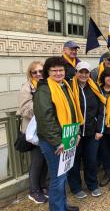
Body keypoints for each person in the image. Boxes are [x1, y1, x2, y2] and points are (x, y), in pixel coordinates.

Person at [34, 57, 82, 211]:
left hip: (67, 137)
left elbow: (73, 111)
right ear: (47, 72)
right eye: (54, 70)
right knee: (58, 178)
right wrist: (57, 141)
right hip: (53, 141)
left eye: (60, 69)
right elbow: (45, 118)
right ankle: (57, 208)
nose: (58, 73)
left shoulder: (64, 86)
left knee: (63, 175)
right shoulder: (44, 89)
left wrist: (77, 133)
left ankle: (62, 206)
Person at [67, 62, 105, 199]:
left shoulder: (94, 88)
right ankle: (76, 187)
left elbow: (102, 109)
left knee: (91, 160)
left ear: (89, 74)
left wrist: (100, 129)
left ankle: (92, 185)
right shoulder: (69, 87)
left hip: (91, 132)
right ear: (76, 72)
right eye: (80, 72)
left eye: (86, 72)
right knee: (74, 161)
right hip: (75, 132)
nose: (83, 75)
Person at [17, 61, 48, 204]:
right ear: (30, 74)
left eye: (41, 71)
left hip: (46, 129)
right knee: (37, 162)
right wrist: (41, 106)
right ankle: (34, 191)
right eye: (34, 72)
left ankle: (42, 187)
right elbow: (24, 109)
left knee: (45, 161)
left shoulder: (46, 85)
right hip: (33, 131)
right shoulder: (27, 87)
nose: (38, 74)